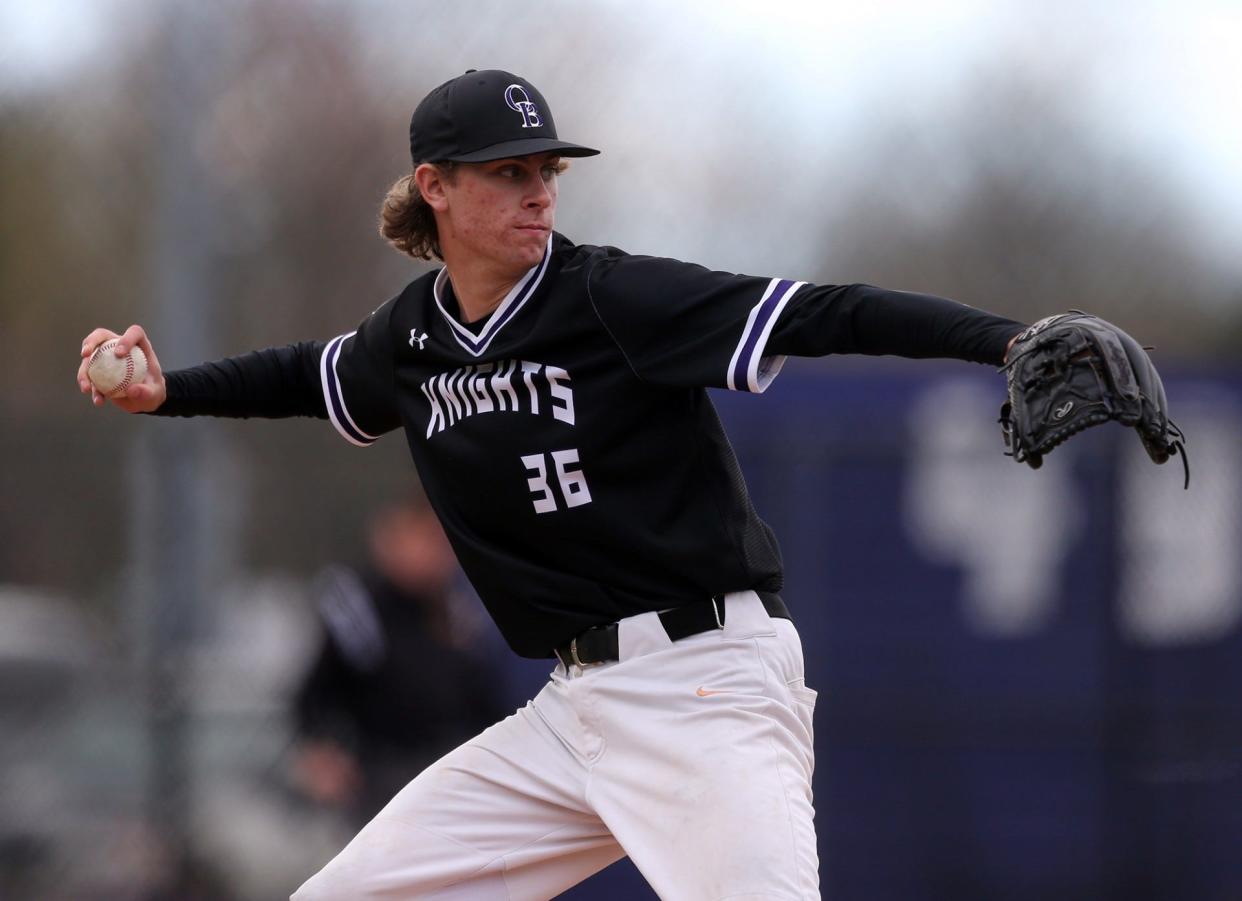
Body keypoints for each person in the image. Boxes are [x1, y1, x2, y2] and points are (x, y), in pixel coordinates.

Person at [78, 69, 1024, 900]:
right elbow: (301, 371)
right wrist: (166, 394)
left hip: (705, 685)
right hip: (574, 712)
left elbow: (822, 313)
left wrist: (1007, 340)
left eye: (546, 172)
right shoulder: (411, 336)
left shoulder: (610, 297)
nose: (538, 193)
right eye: (508, 171)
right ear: (434, 187)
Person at [291, 493, 506, 828]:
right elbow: (314, 695)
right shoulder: (358, 606)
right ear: (388, 540)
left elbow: (485, 699)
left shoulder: (461, 607)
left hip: (454, 772)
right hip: (378, 773)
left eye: (437, 542)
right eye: (417, 538)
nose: (430, 553)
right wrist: (321, 751)